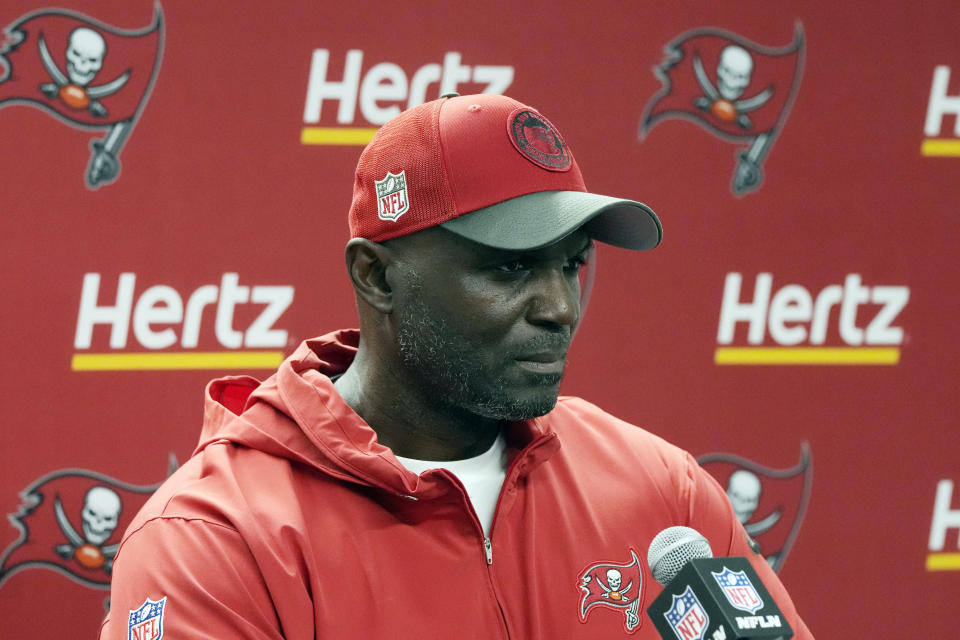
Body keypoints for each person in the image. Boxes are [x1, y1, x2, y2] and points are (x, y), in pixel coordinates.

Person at [100, 93, 812, 639]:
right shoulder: (217, 540)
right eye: (509, 269)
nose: (559, 306)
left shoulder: (664, 494)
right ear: (377, 277)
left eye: (572, 265)